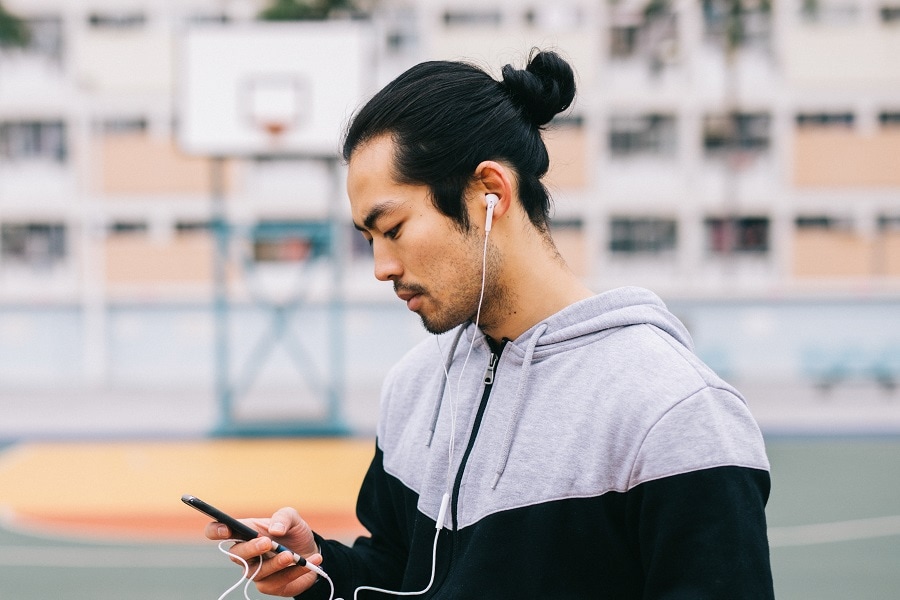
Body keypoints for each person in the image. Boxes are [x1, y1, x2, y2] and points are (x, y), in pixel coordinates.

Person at [206, 49, 775, 599]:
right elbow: (398, 573)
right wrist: (323, 571)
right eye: (369, 239)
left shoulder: (676, 412)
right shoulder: (414, 385)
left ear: (490, 193)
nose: (382, 268)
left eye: (394, 228)